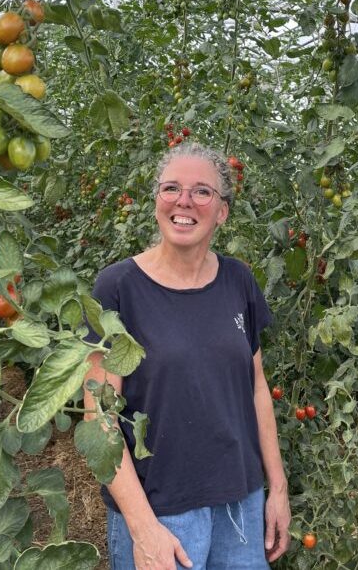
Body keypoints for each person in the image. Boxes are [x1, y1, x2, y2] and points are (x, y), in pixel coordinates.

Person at [83, 142, 290, 570]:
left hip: (241, 505)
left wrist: (278, 490)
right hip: (163, 512)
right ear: (157, 200)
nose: (184, 202)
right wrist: (143, 529)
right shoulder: (118, 288)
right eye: (171, 188)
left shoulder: (238, 281)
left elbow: (256, 390)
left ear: (222, 211)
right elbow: (99, 418)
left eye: (202, 192)